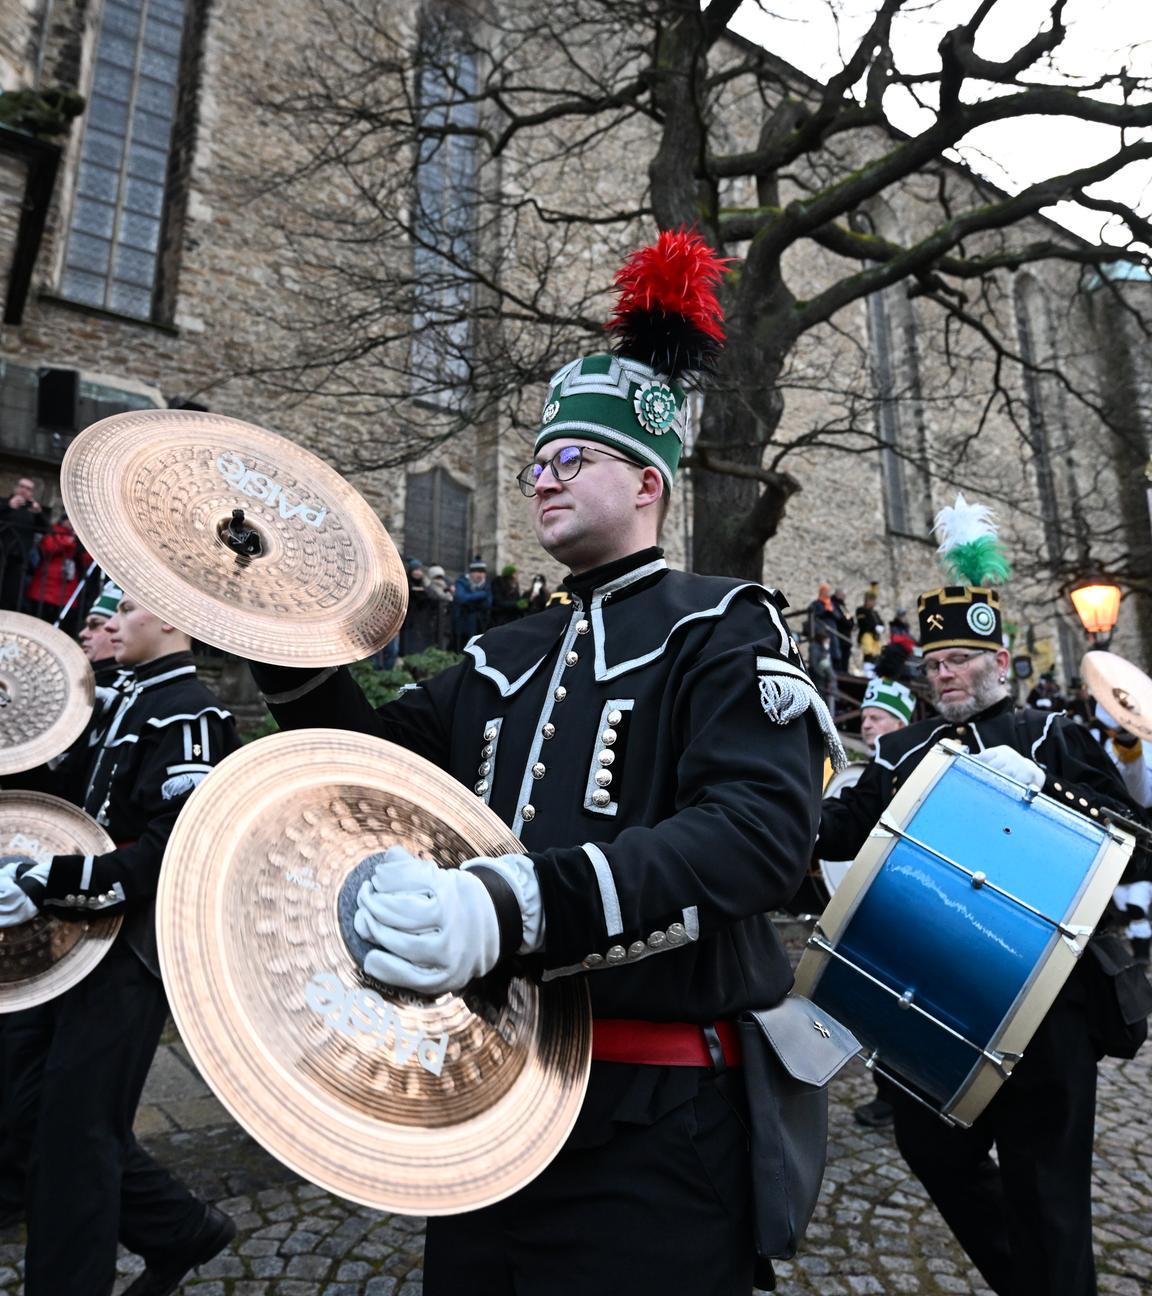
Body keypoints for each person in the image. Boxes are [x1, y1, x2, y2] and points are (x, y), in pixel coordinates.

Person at [248, 230, 839, 1295]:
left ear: (648, 482)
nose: (543, 481)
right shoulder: (499, 651)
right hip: (486, 1111)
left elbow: (757, 837)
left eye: (573, 460)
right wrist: (267, 632)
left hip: (658, 1127)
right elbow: (362, 778)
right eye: (535, 465)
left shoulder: (722, 626)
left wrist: (515, 905)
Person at [816, 495, 1149, 1296]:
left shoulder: (1055, 736)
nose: (944, 675)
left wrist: (1053, 795)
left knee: (1052, 1198)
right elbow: (832, 833)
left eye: (961, 660)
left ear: (1001, 662)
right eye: (934, 665)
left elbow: (1137, 831)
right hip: (930, 994)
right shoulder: (904, 750)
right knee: (935, 1155)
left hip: (1048, 1002)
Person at [0, 593, 241, 1296]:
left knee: (77, 1142)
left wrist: (59, 880)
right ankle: (181, 1229)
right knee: (28, 1115)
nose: (111, 623)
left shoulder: (192, 711)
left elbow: (176, 848)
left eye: (128, 609)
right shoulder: (126, 701)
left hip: (128, 951)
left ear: (173, 621)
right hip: (76, 941)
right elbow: (74, 806)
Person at [849, 675, 915, 1129]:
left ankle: (899, 1093)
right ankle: (888, 1089)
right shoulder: (873, 766)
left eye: (877, 717)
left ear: (900, 721)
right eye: (866, 717)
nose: (868, 725)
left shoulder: (912, 760)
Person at [25, 513, 83, 629]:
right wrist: (69, 540)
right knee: (39, 618)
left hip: (67, 583)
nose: (71, 524)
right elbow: (49, 548)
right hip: (47, 582)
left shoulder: (79, 537)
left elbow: (85, 560)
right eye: (69, 520)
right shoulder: (54, 532)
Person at [0, 476, 47, 612]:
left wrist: (38, 513)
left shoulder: (32, 511)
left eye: (28, 489)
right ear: (16, 488)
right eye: (22, 486)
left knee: (10, 596)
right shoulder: (4, 502)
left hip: (19, 559)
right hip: (2, 553)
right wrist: (9, 506)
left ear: (31, 493)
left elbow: (45, 529)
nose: (24, 491)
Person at [451, 557, 492, 647]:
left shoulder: (486, 585)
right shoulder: (461, 582)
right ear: (471, 573)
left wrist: (471, 599)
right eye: (477, 572)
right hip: (462, 622)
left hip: (480, 623)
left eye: (482, 572)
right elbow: (461, 598)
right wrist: (481, 594)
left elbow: (488, 603)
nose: (480, 575)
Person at [855, 585, 885, 671]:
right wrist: (874, 627)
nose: (873, 603)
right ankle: (867, 671)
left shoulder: (874, 612)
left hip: (875, 636)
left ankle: (874, 671)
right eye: (871, 601)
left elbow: (881, 622)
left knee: (876, 655)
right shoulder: (861, 610)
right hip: (866, 634)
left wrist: (880, 627)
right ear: (867, 601)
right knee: (868, 653)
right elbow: (863, 623)